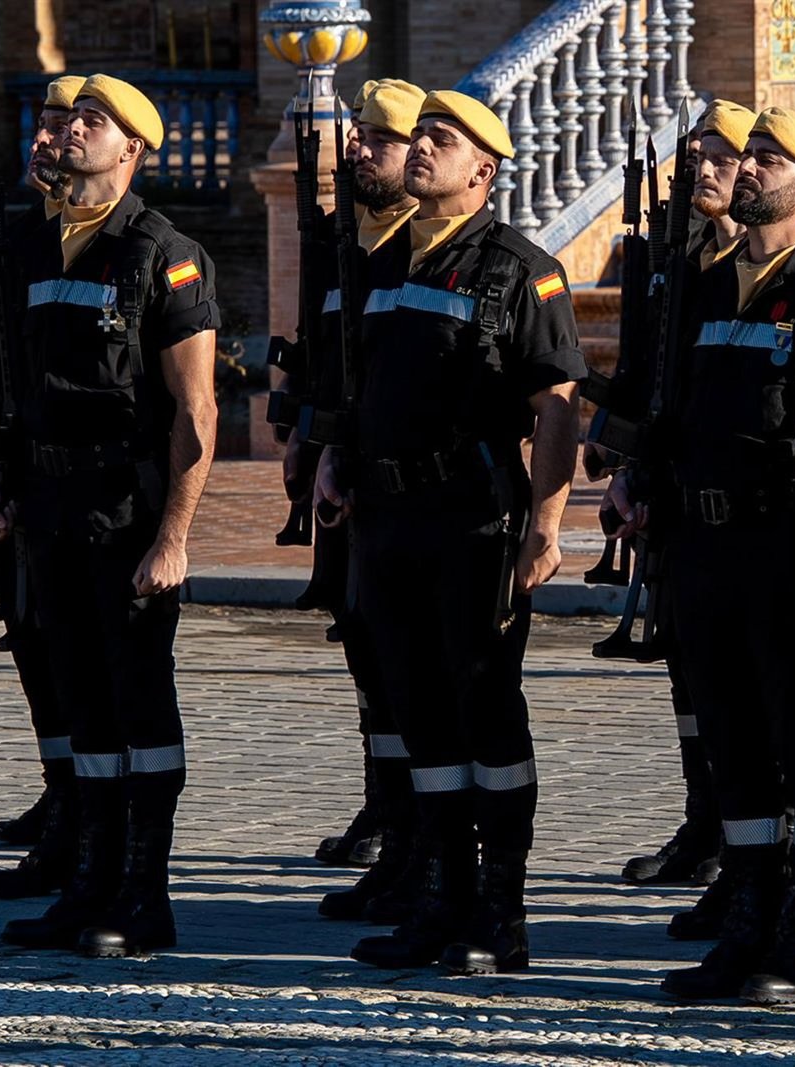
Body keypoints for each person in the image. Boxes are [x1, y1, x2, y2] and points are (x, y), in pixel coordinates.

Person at [611, 108, 795, 1004]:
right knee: (731, 744)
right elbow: (671, 405)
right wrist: (637, 481)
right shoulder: (704, 285)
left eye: (770, 160)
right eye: (752, 156)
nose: (748, 168)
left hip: (787, 547)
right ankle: (745, 924)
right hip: (701, 548)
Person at [315, 89, 584, 974]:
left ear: (484, 170)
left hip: (474, 519)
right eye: (420, 135)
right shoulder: (386, 262)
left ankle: (501, 912)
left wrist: (546, 526)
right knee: (419, 712)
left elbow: (556, 406)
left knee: (485, 713)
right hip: (388, 520)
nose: (422, 149)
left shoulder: (521, 269)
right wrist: (338, 456)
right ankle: (442, 895)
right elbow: (364, 383)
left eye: (443, 139)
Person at [0, 73, 219, 958]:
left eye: (95, 120)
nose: (74, 130)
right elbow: (12, 370)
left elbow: (196, 410)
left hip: (125, 509)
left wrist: (174, 537)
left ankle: (143, 895)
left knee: (137, 704)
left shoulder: (164, 253)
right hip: (49, 506)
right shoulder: (37, 248)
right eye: (72, 117)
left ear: (133, 148)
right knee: (80, 701)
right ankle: (86, 882)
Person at [295, 79, 437, 923]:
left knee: (413, 670)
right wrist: (304, 438)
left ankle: (421, 831)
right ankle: (385, 804)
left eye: (378, 140)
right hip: (342, 481)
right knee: (364, 654)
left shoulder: (421, 252)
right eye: (359, 136)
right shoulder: (340, 241)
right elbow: (320, 356)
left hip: (410, 493)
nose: (360, 150)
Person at [620, 99, 755, 897]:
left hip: (742, 503)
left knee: (744, 687)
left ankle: (745, 843)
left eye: (722, 158)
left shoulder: (764, 266)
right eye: (697, 156)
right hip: (673, 494)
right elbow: (647, 368)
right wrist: (627, 466)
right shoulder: (678, 255)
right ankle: (702, 821)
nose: (703, 169)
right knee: (686, 671)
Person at [0, 74, 88, 901]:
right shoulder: (22, 238)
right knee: (28, 631)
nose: (45, 139)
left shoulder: (116, 243)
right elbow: (0, 355)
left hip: (86, 481)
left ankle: (86, 807)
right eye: (43, 124)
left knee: (75, 647)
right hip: (23, 465)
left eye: (61, 125)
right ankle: (60, 785)